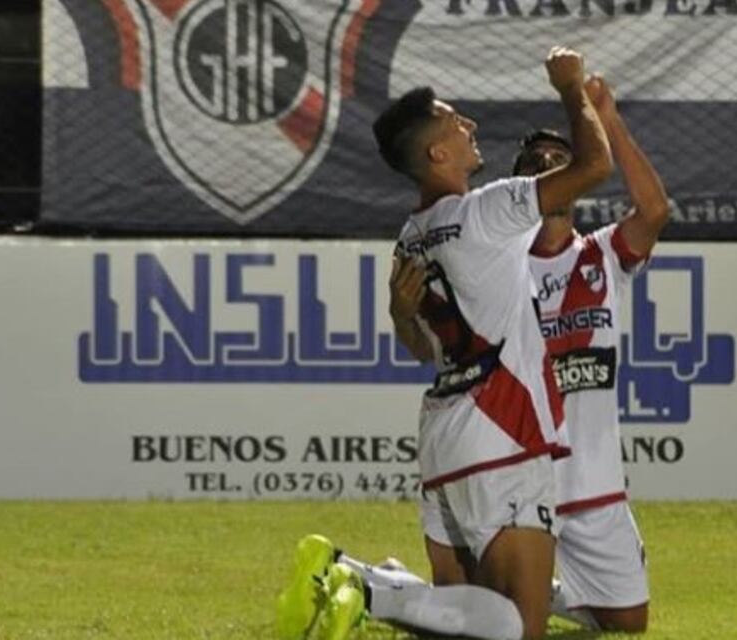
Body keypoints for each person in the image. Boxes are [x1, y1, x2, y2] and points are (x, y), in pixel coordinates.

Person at [276, 46, 614, 640]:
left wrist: (398, 313)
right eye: (457, 123)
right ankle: (372, 593)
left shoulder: (411, 238)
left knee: (466, 618)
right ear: (437, 154)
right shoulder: (489, 209)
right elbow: (593, 168)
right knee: (519, 628)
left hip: (445, 433)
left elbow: (418, 347)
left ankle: (342, 571)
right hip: (504, 430)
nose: (471, 127)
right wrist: (571, 89)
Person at [391, 76, 670, 633]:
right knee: (498, 619)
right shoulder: (491, 252)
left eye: (556, 157)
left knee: (626, 620)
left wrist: (608, 118)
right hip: (514, 447)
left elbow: (655, 211)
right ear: (522, 183)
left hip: (583, 473)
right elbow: (427, 341)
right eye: (533, 160)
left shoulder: (599, 255)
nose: (545, 163)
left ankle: (417, 594)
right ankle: (398, 594)